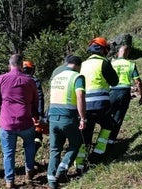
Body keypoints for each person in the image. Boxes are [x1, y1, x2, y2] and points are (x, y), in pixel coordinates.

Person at [0, 54, 39, 188]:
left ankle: (10, 181)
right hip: (26, 122)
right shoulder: (29, 81)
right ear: (21, 65)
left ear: (9, 65)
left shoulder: (1, 79)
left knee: (8, 153)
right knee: (29, 146)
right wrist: (35, 116)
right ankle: (29, 173)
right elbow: (35, 102)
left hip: (7, 124)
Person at [75, 37, 119, 172]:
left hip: (84, 106)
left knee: (86, 134)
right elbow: (114, 82)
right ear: (104, 50)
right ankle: (98, 154)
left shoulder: (82, 65)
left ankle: (80, 165)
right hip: (100, 105)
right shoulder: (104, 63)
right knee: (109, 125)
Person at [47, 55, 86, 189]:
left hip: (52, 116)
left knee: (55, 149)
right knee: (76, 143)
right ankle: (62, 170)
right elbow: (80, 96)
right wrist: (82, 117)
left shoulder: (56, 77)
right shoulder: (77, 77)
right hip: (68, 117)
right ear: (78, 66)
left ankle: (51, 180)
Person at [109, 45, 142, 144]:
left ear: (117, 53)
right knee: (118, 117)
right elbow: (138, 82)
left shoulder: (111, 64)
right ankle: (111, 141)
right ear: (127, 53)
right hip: (124, 92)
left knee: (108, 116)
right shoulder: (131, 64)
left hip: (111, 91)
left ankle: (102, 139)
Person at [22, 60, 45, 157]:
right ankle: (30, 156)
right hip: (33, 113)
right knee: (37, 135)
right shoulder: (34, 81)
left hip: (20, 114)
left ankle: (27, 154)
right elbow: (40, 97)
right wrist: (39, 114)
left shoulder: (17, 80)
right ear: (32, 70)